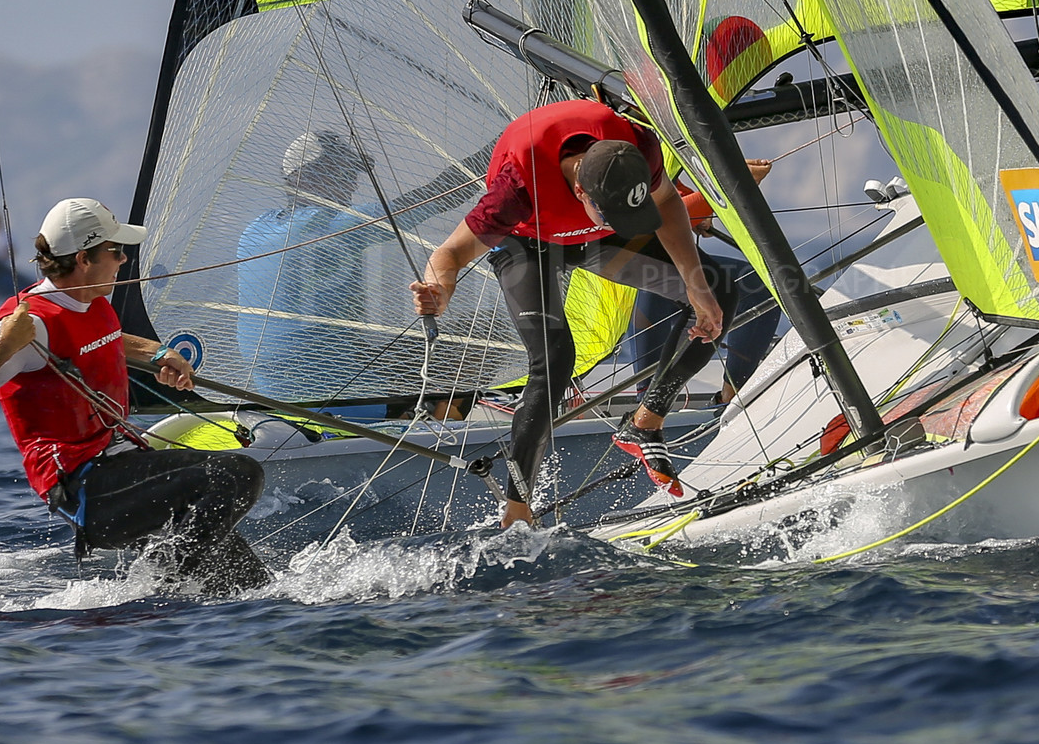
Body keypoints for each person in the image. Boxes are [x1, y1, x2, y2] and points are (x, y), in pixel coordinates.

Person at [410, 98, 739, 529]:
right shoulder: (516, 189)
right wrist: (439, 290)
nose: (624, 221)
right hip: (528, 246)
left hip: (593, 242)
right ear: (581, 190)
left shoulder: (636, 146)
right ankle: (517, 508)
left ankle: (644, 423)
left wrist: (696, 288)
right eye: (614, 213)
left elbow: (668, 208)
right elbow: (450, 253)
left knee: (717, 291)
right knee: (555, 357)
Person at [0, 198, 270, 595]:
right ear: (83, 259)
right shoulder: (31, 325)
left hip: (123, 462)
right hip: (87, 486)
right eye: (115, 250)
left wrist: (156, 353)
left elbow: (102, 338)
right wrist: (3, 345)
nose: (123, 260)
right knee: (238, 474)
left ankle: (173, 600)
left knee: (249, 583)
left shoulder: (89, 300)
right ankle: (163, 587)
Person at [237, 130, 488, 415]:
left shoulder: (255, 229)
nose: (353, 184)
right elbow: (437, 197)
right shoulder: (336, 226)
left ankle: (424, 407)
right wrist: (500, 149)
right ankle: (438, 419)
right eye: (343, 172)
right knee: (484, 329)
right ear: (303, 178)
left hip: (277, 393)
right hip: (345, 397)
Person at [631, 159, 783, 405]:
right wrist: (726, 185)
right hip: (616, 262)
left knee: (757, 286)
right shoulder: (610, 142)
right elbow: (648, 221)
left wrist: (695, 205)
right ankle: (647, 402)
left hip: (659, 254)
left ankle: (731, 399)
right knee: (654, 279)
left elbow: (667, 188)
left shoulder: (649, 141)